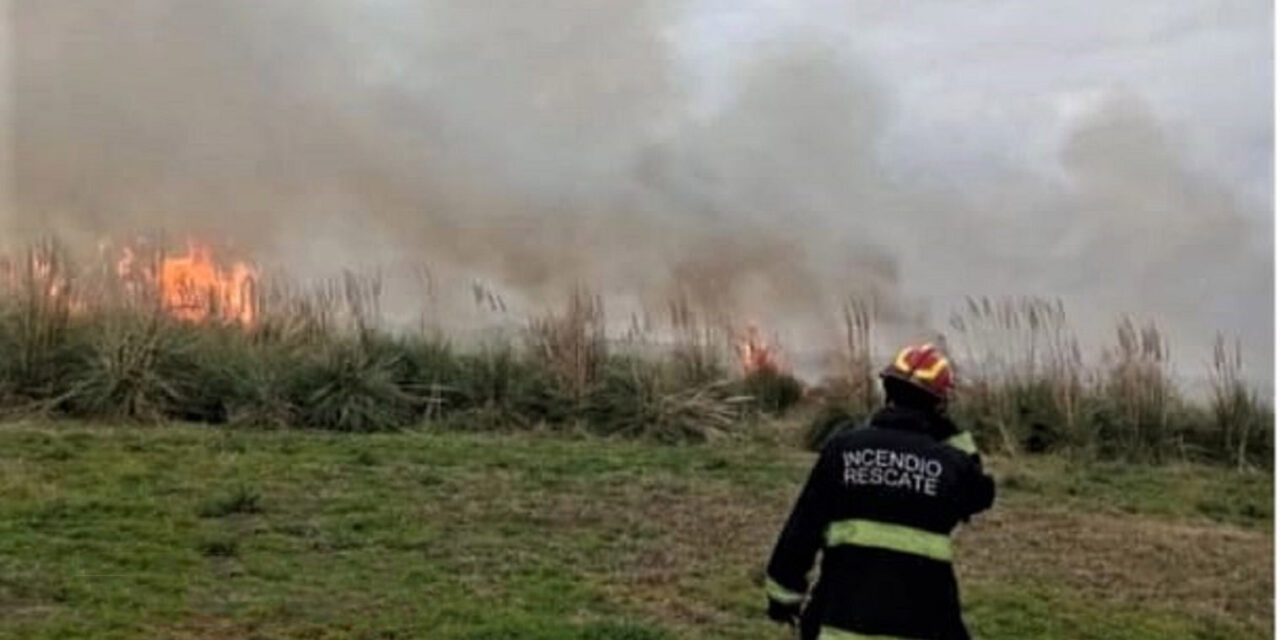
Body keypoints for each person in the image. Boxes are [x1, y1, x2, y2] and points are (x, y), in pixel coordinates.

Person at [764, 343, 995, 640]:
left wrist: (783, 597)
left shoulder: (842, 450)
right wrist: (951, 432)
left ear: (887, 391)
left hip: (841, 624)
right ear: (939, 405)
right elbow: (980, 495)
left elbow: (802, 531)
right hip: (923, 626)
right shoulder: (951, 464)